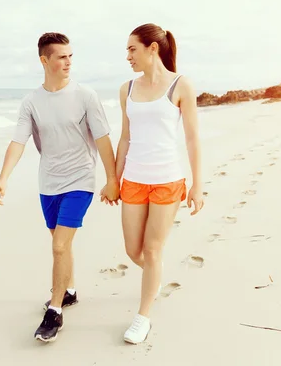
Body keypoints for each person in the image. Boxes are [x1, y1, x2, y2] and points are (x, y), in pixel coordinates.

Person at [0, 32, 120, 343]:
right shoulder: (31, 102)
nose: (68, 62)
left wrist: (112, 179)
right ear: (44, 60)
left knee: (60, 246)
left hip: (80, 180)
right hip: (48, 182)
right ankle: (71, 291)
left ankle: (55, 310)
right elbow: (18, 141)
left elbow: (103, 140)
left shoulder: (85, 96)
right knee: (60, 243)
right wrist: (3, 177)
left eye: (70, 56)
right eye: (62, 56)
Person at [101, 23, 204, 344]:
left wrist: (198, 185)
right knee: (134, 250)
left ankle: (143, 317)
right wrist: (113, 180)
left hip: (167, 181)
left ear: (153, 48)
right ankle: (153, 277)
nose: (128, 56)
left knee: (152, 248)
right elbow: (125, 137)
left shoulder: (181, 85)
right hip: (133, 179)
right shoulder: (127, 89)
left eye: (132, 49)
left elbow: (192, 138)